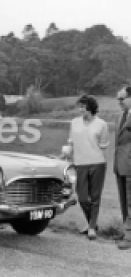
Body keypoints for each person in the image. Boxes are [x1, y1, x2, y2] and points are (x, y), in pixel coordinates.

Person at [65, 95, 109, 240]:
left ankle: (91, 228)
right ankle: (93, 223)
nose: (80, 109)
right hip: (79, 163)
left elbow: (103, 146)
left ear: (90, 108)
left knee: (95, 197)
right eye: (79, 106)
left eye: (83, 107)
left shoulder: (102, 124)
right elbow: (71, 142)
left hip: (97, 163)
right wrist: (65, 154)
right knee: (83, 197)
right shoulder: (74, 122)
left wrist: (101, 161)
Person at [113, 86, 131, 250]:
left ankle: (129, 237)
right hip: (120, 165)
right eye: (118, 98)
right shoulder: (120, 116)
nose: (119, 102)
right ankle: (126, 231)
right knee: (123, 201)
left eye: (122, 98)